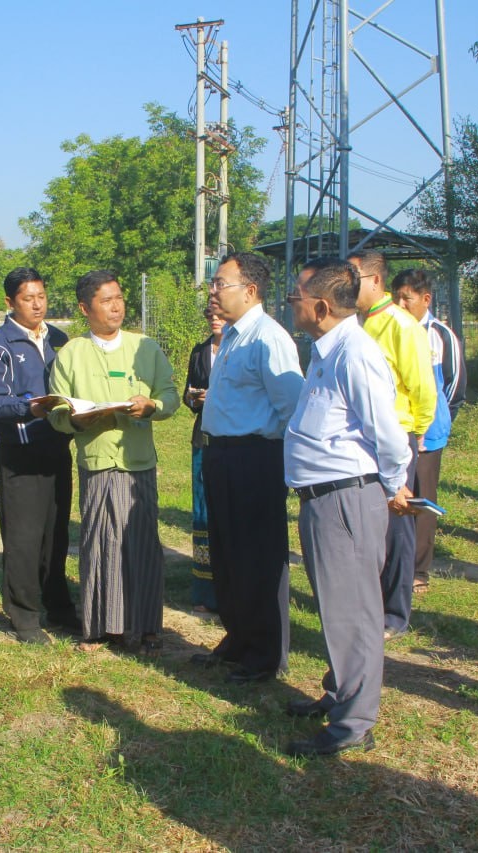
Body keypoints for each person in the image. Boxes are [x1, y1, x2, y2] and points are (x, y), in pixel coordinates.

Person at [282, 259, 413, 757]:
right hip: (323, 498)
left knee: (353, 613)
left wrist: (395, 485)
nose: (290, 304)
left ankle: (354, 723)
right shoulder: (326, 351)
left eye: (295, 297)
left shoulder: (355, 354)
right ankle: (340, 693)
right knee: (336, 607)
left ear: (320, 307)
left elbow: (389, 435)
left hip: (345, 498)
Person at [47, 270, 178, 653]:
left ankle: (146, 627)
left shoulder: (145, 348)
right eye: (106, 300)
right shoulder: (71, 354)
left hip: (138, 463)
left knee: (142, 543)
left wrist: (152, 405)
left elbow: (170, 395)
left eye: (119, 297)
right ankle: (101, 627)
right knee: (100, 542)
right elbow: (56, 411)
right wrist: (75, 420)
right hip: (97, 462)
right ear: (84, 308)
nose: (116, 306)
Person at [195, 252, 304, 683]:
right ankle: (238, 638)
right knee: (227, 554)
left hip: (254, 458)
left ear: (251, 290)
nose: (213, 291)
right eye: (214, 283)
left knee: (257, 557)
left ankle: (264, 654)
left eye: (221, 283)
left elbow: (291, 408)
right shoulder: (233, 336)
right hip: (221, 456)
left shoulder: (268, 338)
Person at [0, 267, 80, 644]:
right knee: (23, 537)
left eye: (41, 296)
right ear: (10, 302)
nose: (37, 305)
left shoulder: (60, 340)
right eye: (27, 298)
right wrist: (30, 408)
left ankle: (59, 606)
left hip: (57, 447)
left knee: (55, 533)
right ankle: (24, 616)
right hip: (20, 453)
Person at [348, 250, 436, 639]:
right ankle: (368, 602)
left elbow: (422, 386)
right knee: (370, 523)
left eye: (353, 277)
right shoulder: (357, 324)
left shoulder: (402, 326)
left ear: (374, 280)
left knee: (397, 524)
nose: (346, 285)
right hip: (362, 438)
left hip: (396, 435)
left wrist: (418, 430)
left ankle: (394, 613)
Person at [391, 269, 465, 593]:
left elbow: (454, 386)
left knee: (422, 500)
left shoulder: (440, 335)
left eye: (406, 298)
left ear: (426, 299)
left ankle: (419, 569)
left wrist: (438, 420)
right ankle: (394, 564)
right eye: (396, 297)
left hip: (428, 436)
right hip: (396, 431)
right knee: (396, 496)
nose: (400, 304)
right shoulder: (390, 328)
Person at [183, 307, 225, 614]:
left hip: (233, 437)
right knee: (202, 507)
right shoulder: (200, 351)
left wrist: (218, 398)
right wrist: (194, 398)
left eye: (219, 314)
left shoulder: (241, 348)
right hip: (203, 436)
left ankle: (230, 585)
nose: (215, 319)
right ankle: (205, 590)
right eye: (209, 315)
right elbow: (188, 392)